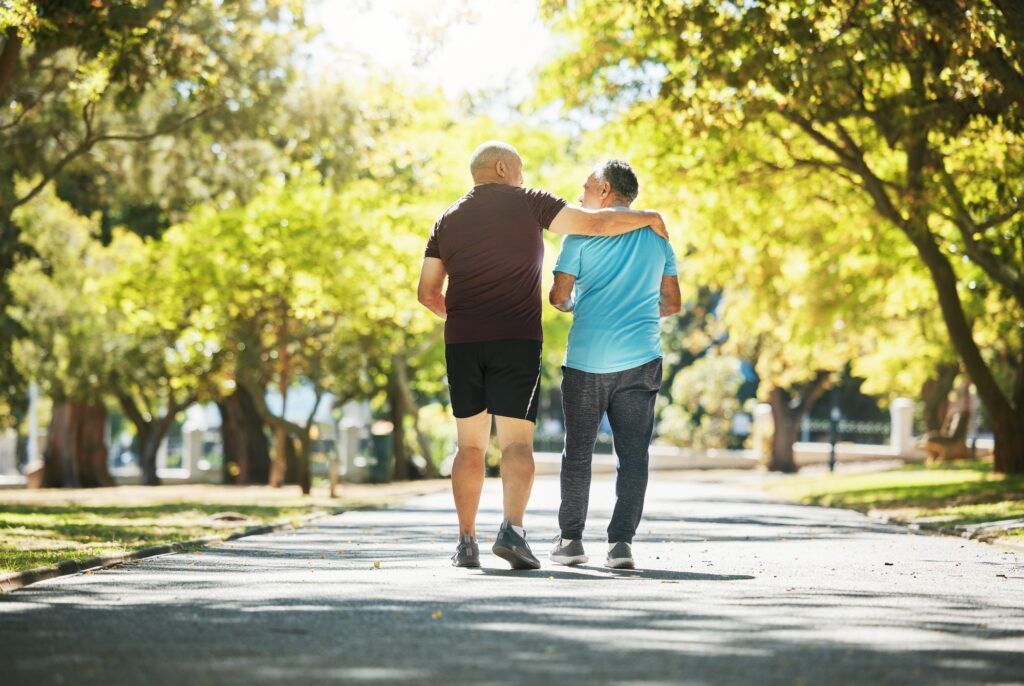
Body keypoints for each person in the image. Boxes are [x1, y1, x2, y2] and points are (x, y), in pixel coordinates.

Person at [417, 142, 669, 569]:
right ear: (502, 167)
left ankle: (466, 543)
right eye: (518, 169)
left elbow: (427, 292)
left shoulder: (448, 217)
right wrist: (650, 217)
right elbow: (595, 224)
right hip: (515, 340)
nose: (522, 175)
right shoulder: (530, 201)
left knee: (470, 446)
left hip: (462, 341)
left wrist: (460, 315)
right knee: (516, 442)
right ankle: (512, 532)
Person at [548, 160, 681, 570]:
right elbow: (673, 304)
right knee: (634, 454)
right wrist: (635, 312)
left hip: (587, 359)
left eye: (586, 185)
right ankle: (621, 545)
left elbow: (558, 297)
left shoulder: (579, 236)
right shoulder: (657, 239)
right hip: (642, 358)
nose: (581, 192)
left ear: (605, 191)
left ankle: (571, 540)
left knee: (579, 452)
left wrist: (576, 305)